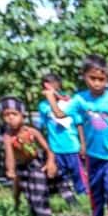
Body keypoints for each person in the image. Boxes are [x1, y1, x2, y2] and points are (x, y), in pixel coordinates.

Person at [44, 54, 108, 216]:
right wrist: (51, 98)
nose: (97, 83)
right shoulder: (80, 99)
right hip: (92, 153)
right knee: (94, 187)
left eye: (101, 79)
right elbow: (60, 115)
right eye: (92, 78)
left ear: (107, 79)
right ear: (84, 76)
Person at [0, 96, 59, 216]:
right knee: (28, 192)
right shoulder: (8, 137)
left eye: (14, 114)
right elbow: (9, 155)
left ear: (22, 115)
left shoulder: (32, 132)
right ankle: (33, 212)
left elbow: (49, 149)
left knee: (40, 189)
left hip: (35, 163)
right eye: (6, 115)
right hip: (21, 167)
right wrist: (10, 170)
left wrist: (50, 162)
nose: (10, 117)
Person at [37, 73, 87, 207]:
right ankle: (72, 203)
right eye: (47, 85)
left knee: (80, 177)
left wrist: (83, 144)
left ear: (58, 86)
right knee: (61, 179)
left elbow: (77, 122)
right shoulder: (43, 106)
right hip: (56, 149)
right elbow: (44, 124)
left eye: (53, 84)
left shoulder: (68, 103)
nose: (49, 88)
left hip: (72, 147)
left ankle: (88, 203)